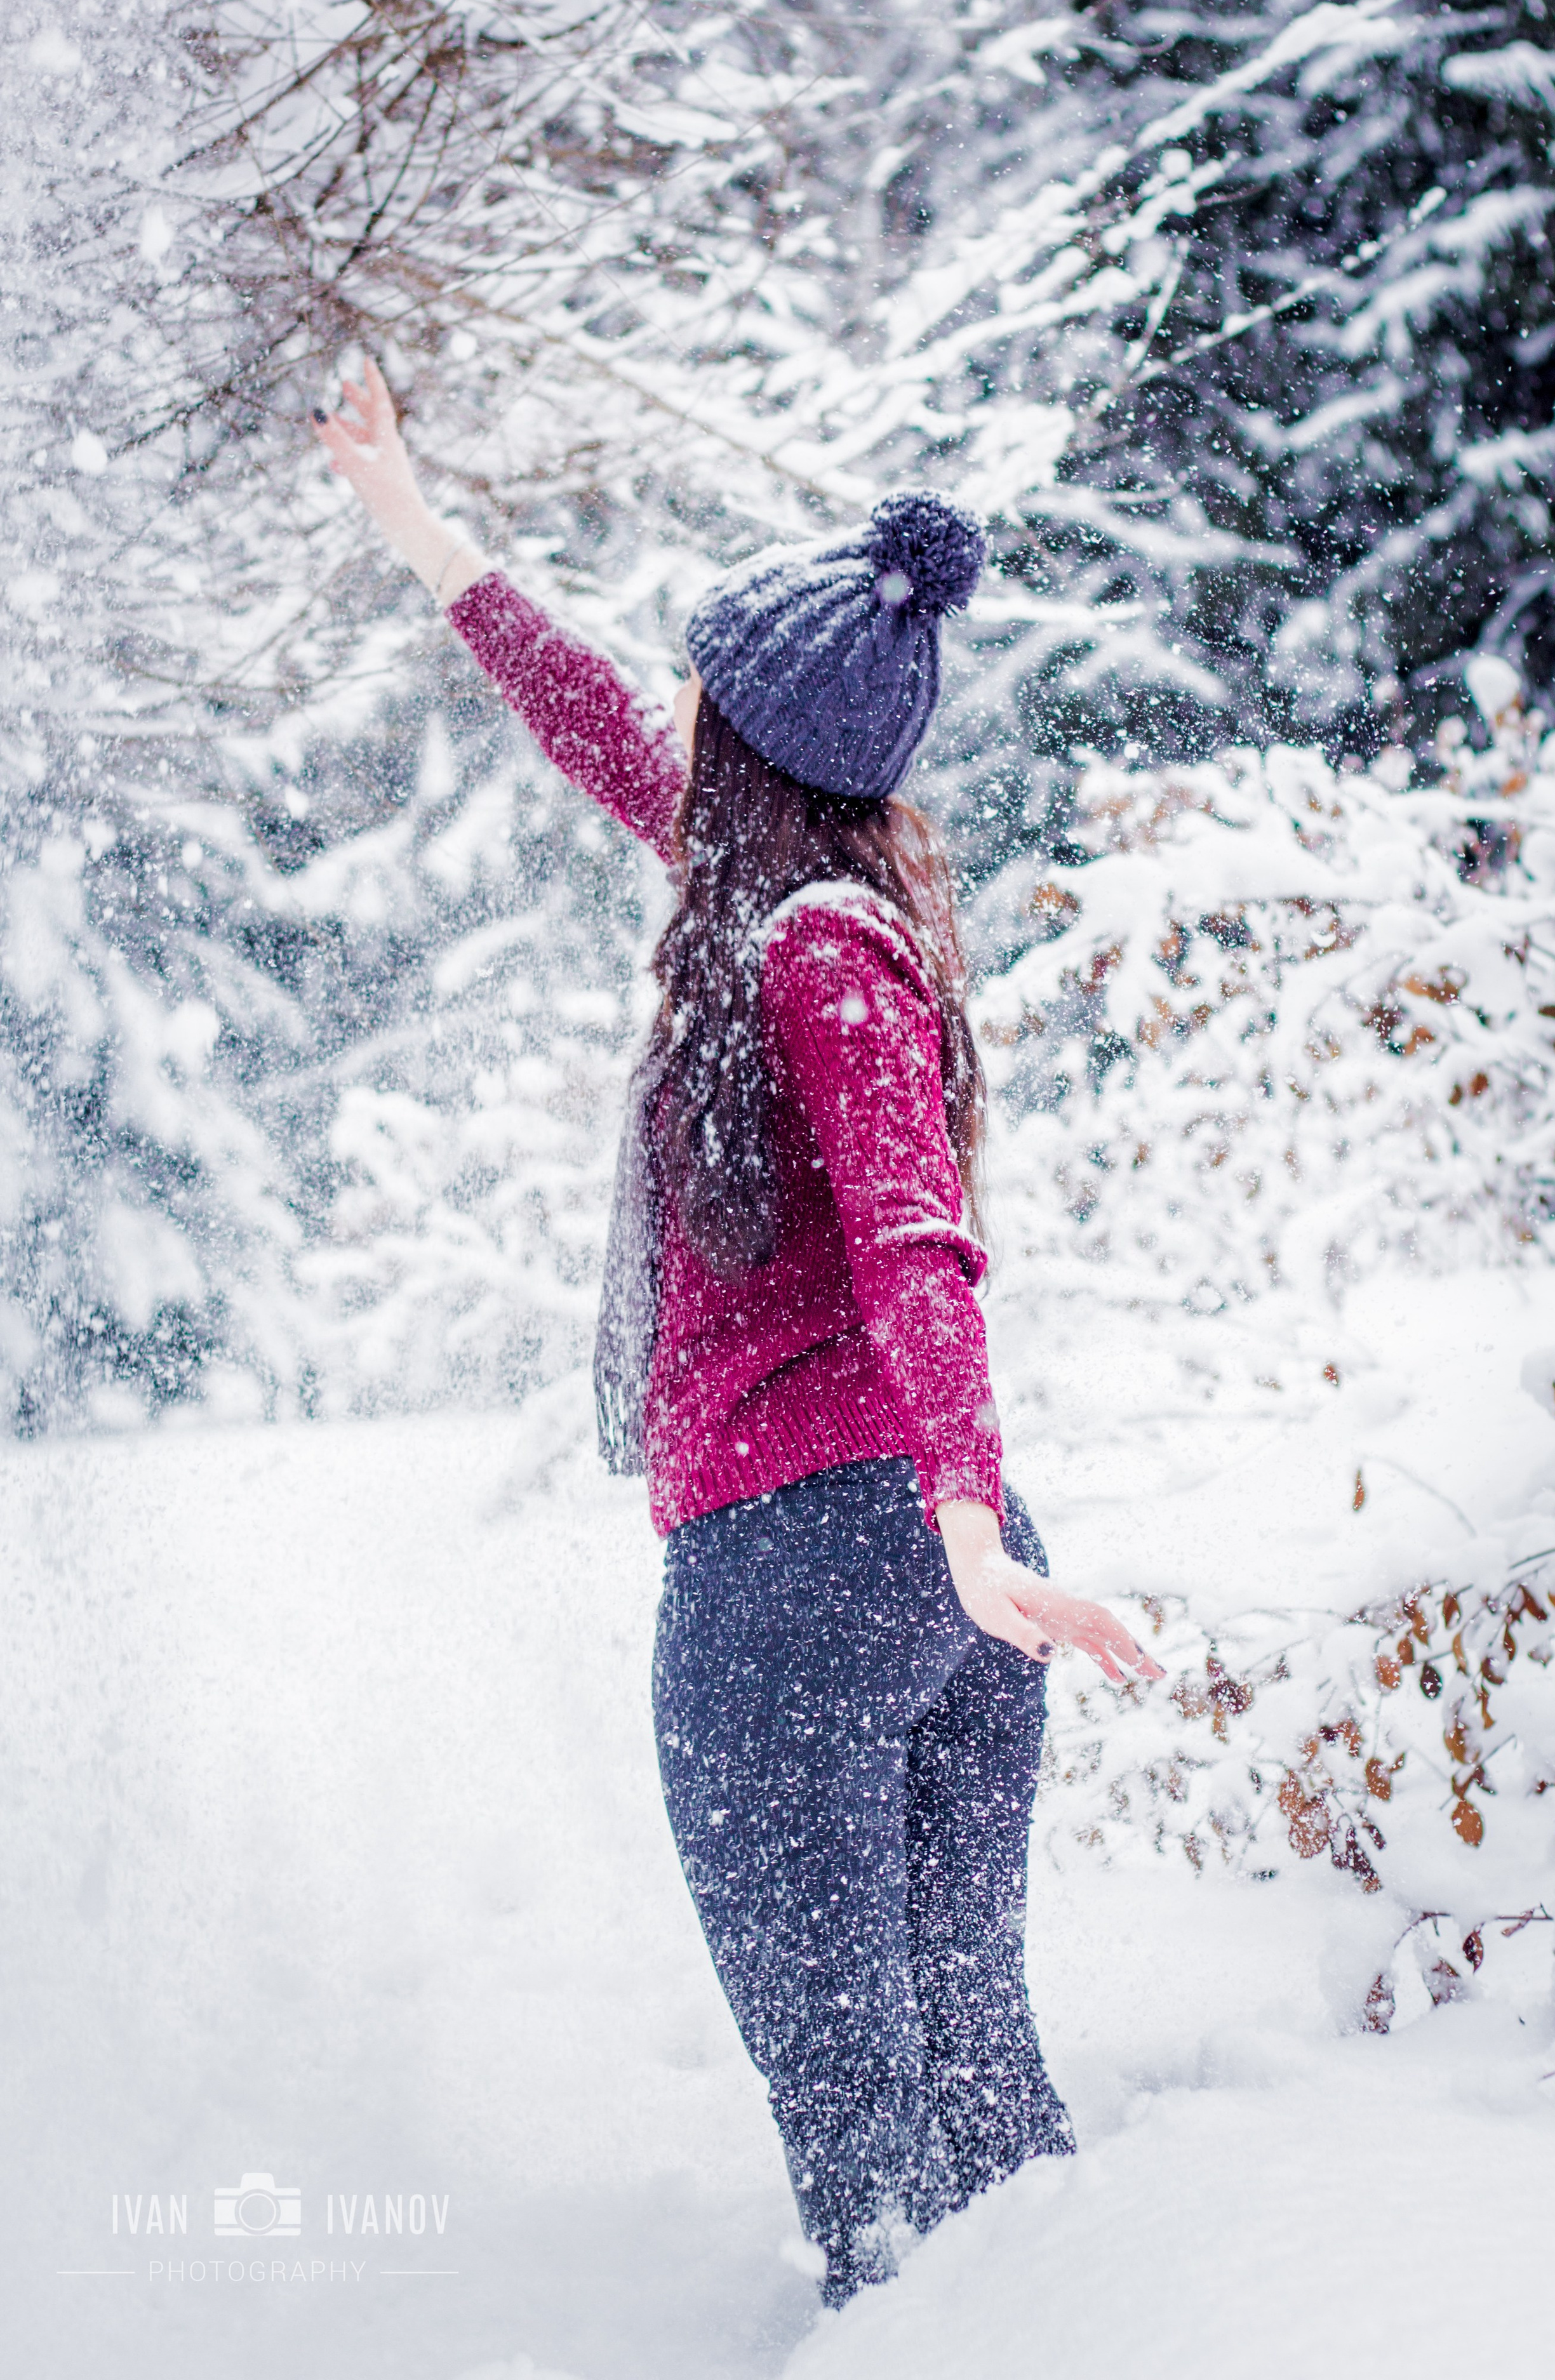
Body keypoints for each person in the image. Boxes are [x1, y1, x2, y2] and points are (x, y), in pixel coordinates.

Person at [314, 361, 1165, 2310]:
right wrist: (416, 525)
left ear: (763, 741)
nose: (674, 709)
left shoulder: (812, 956)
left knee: (870, 2164)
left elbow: (915, 1244)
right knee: (978, 2110)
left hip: (811, 1574)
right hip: (940, 1574)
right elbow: (595, 725)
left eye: (705, 684)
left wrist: (959, 1511)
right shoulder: (794, 900)